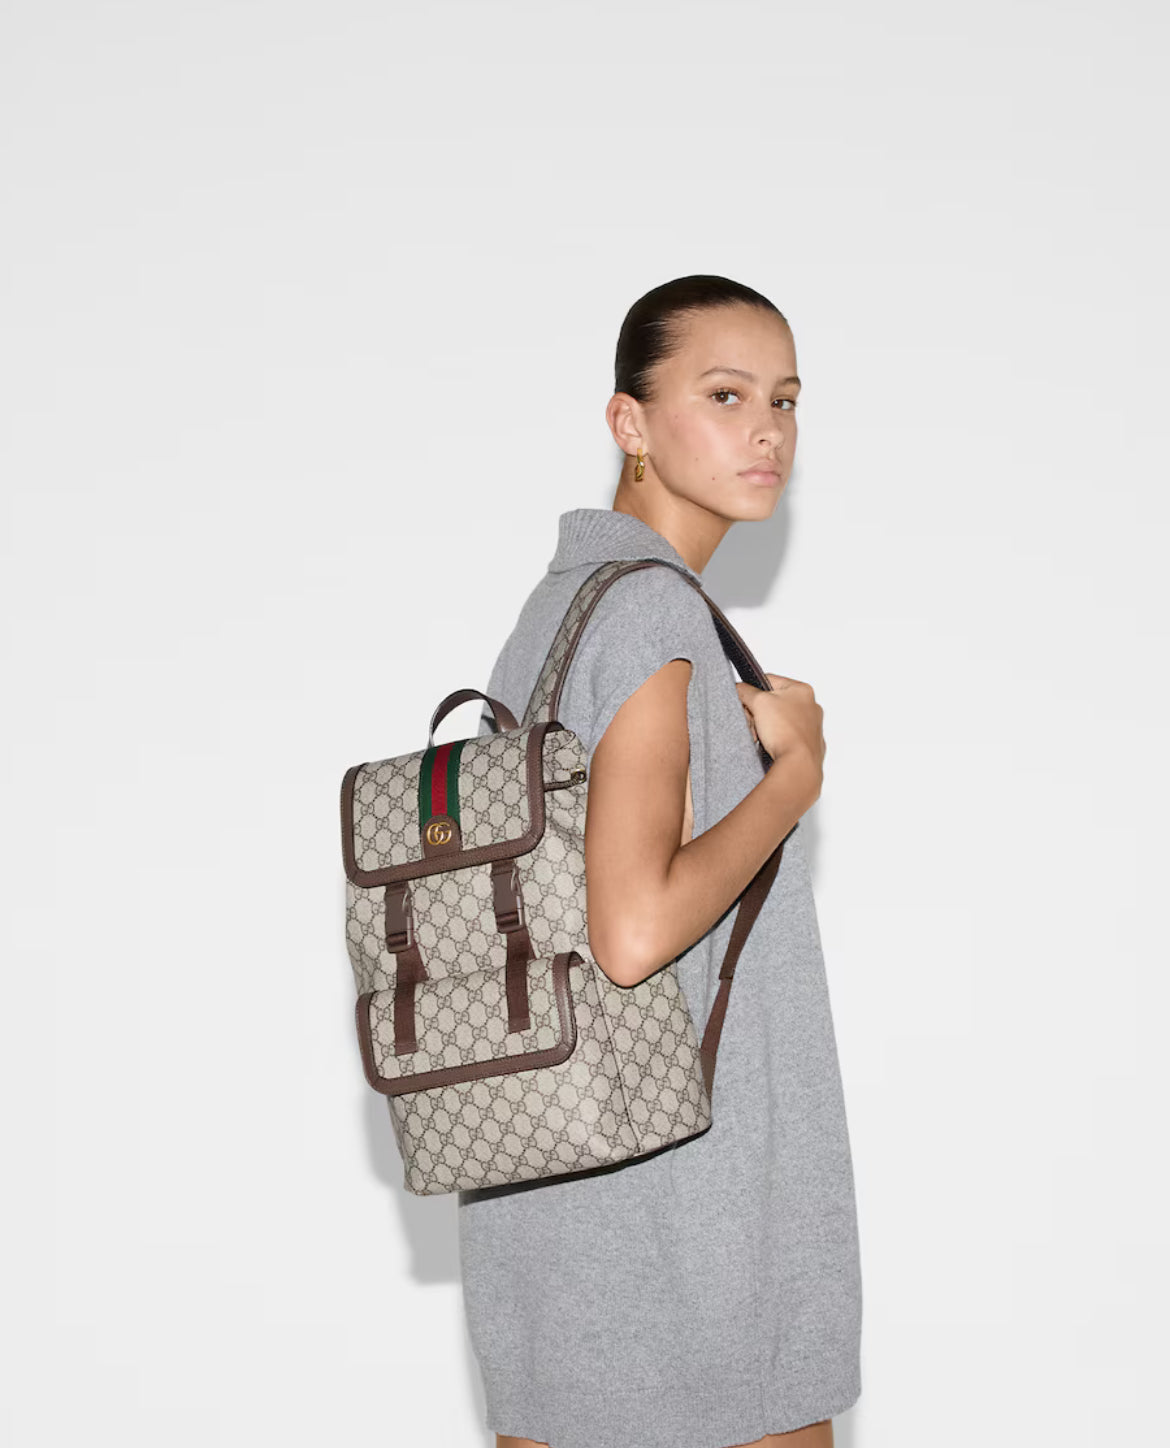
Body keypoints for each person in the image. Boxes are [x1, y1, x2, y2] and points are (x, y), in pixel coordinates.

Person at [457, 275, 862, 1448]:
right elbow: (632, 932)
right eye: (724, 394)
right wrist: (793, 779)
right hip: (683, 1220)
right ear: (628, 422)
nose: (767, 429)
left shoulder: (557, 611)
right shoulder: (650, 617)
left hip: (551, 1194)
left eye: (784, 399)